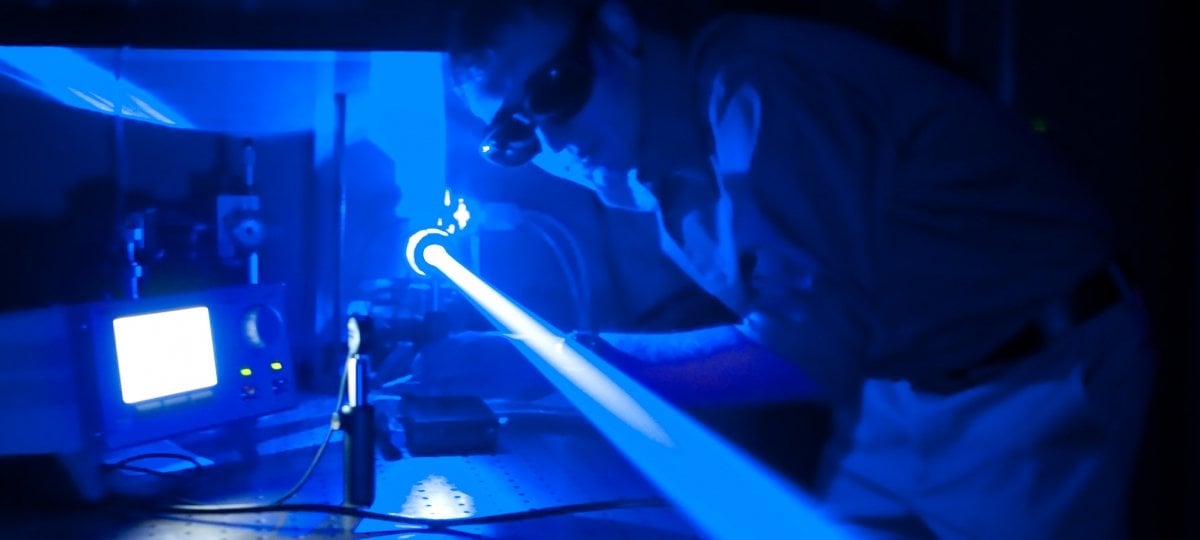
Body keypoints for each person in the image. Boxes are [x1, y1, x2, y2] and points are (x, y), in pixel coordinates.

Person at [435, 0, 1156, 537]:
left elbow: (802, 355)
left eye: (555, 89)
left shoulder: (761, 86)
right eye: (513, 135)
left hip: (1036, 371)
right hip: (903, 387)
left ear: (619, 30)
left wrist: (548, 360)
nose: (553, 136)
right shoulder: (657, 178)